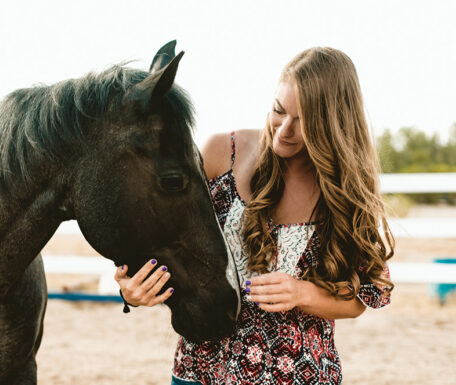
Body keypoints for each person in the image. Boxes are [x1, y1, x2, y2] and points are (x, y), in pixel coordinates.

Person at [114, 47, 394, 385]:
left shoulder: (346, 191)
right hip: (198, 371)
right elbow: (163, 238)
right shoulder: (222, 153)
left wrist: (301, 293)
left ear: (332, 124)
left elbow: (358, 299)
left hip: (297, 375)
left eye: (303, 121)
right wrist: (133, 287)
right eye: (279, 110)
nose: (283, 131)